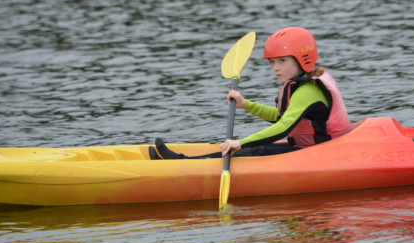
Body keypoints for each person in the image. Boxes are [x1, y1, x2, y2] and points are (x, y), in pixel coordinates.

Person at [149, 26, 351, 160]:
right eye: (272, 62)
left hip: (322, 154)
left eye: (282, 61)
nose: (275, 68)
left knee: (254, 149)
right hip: (309, 150)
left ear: (302, 59)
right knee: (251, 149)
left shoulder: (309, 89)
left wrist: (240, 142)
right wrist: (246, 104)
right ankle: (181, 162)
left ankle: (181, 164)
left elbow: (282, 128)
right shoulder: (298, 86)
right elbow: (281, 117)